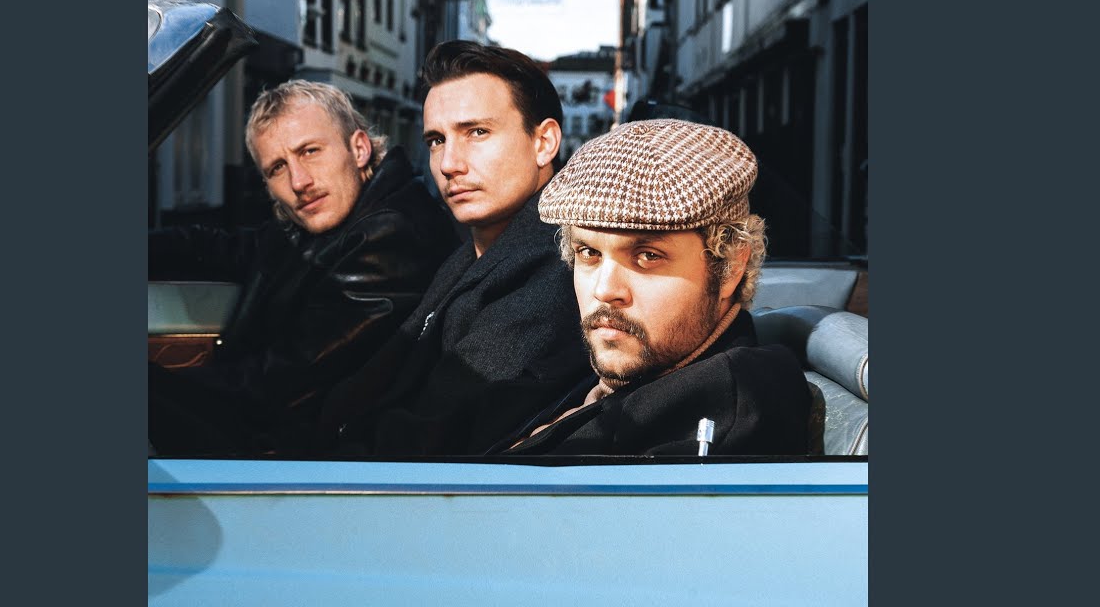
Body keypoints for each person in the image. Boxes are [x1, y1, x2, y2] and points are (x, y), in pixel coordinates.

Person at [148, 80, 460, 456]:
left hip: (313, 458)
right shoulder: (324, 222)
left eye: (310, 151)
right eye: (277, 168)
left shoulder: (392, 234)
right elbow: (222, 247)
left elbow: (283, 379)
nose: (299, 182)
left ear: (359, 149)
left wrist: (163, 387)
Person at [314, 41, 591, 456]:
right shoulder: (476, 250)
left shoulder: (552, 267)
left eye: (477, 132)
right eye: (436, 140)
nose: (448, 164)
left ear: (544, 142)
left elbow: (432, 432)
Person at [503, 118, 812, 456]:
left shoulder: (719, 409)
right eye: (588, 253)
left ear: (730, 267)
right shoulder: (634, 367)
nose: (604, 290)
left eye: (648, 256)